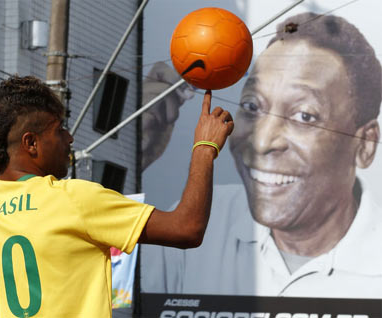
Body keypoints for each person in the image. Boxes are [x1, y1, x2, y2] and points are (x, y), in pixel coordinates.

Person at [0, 75, 234, 317]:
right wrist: (205, 148)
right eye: (59, 129)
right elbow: (187, 228)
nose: (69, 137)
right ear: (31, 143)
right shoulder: (73, 200)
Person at [141, 12, 382, 298]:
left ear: (365, 144)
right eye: (252, 106)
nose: (263, 140)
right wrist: (134, 156)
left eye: (305, 115)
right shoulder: (206, 215)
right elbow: (107, 293)